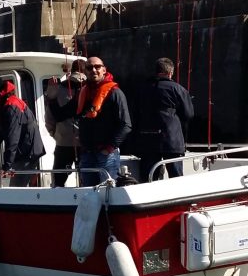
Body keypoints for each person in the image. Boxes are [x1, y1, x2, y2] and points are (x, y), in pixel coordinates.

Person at [47, 56, 131, 186]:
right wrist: (51, 98)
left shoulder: (115, 93)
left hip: (106, 154)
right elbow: (60, 115)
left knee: (108, 191)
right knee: (87, 191)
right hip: (87, 154)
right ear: (85, 72)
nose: (94, 70)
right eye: (89, 67)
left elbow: (126, 125)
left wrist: (109, 148)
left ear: (104, 70)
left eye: (97, 67)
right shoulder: (83, 93)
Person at [0, 74, 45, 187]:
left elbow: (12, 138)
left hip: (27, 154)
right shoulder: (1, 106)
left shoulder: (10, 107)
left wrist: (6, 166)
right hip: (23, 153)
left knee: (16, 190)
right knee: (17, 189)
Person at [136, 57, 194, 181]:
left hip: (148, 138)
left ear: (156, 71)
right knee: (176, 177)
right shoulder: (178, 89)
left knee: (148, 178)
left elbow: (135, 112)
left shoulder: (142, 88)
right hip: (171, 139)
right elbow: (188, 114)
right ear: (170, 72)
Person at [44, 59, 87, 187]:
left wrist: (55, 134)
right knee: (87, 177)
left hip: (63, 142)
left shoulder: (57, 89)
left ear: (72, 70)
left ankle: (59, 202)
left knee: (58, 180)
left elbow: (49, 118)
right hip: (86, 143)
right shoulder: (90, 88)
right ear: (84, 71)